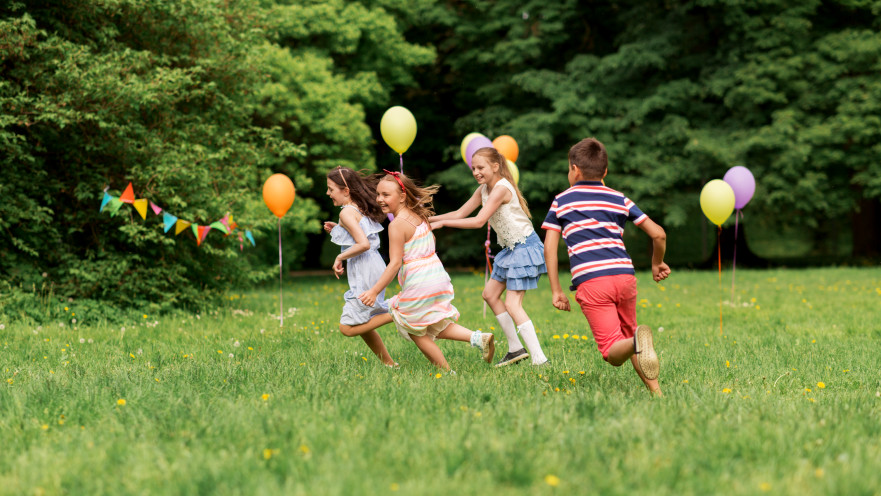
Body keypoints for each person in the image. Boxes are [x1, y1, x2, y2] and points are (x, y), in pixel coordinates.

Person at [542, 138, 670, 395]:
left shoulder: (562, 201)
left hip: (592, 281)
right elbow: (658, 234)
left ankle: (637, 341)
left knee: (613, 352)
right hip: (624, 276)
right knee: (630, 337)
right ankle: (657, 392)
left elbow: (549, 247)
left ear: (575, 169)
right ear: (605, 172)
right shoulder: (619, 199)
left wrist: (556, 290)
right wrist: (657, 263)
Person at [352, 170, 495, 371]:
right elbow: (432, 241)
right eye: (378, 194)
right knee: (435, 323)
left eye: (386, 195)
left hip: (419, 282)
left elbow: (394, 264)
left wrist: (374, 291)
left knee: (415, 330)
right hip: (436, 276)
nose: (379, 199)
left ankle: (447, 372)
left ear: (402, 197)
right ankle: (478, 338)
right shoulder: (419, 216)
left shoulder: (396, 225)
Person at [430, 147, 548, 367]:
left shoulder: (501, 188)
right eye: (473, 168)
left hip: (524, 247)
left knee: (513, 305)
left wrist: (443, 223)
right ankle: (515, 349)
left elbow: (478, 221)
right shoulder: (483, 189)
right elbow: (460, 213)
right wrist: (429, 220)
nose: (476, 172)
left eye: (480, 167)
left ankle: (540, 359)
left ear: (495, 166)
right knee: (490, 294)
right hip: (510, 249)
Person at [324, 166, 397, 367]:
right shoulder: (355, 208)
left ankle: (397, 313)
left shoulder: (347, 212)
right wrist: (338, 229)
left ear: (345, 190)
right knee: (362, 322)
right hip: (372, 266)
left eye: (331, 189)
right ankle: (389, 364)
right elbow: (360, 234)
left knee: (347, 328)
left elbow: (363, 243)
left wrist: (340, 257)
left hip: (365, 269)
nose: (328, 193)